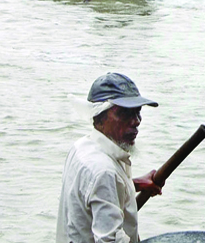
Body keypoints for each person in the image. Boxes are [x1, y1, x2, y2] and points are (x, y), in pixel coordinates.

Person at [56, 73, 163, 243]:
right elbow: (109, 240)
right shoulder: (104, 171)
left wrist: (132, 185)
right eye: (125, 114)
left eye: (137, 112)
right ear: (100, 118)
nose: (136, 121)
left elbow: (90, 194)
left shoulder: (81, 147)